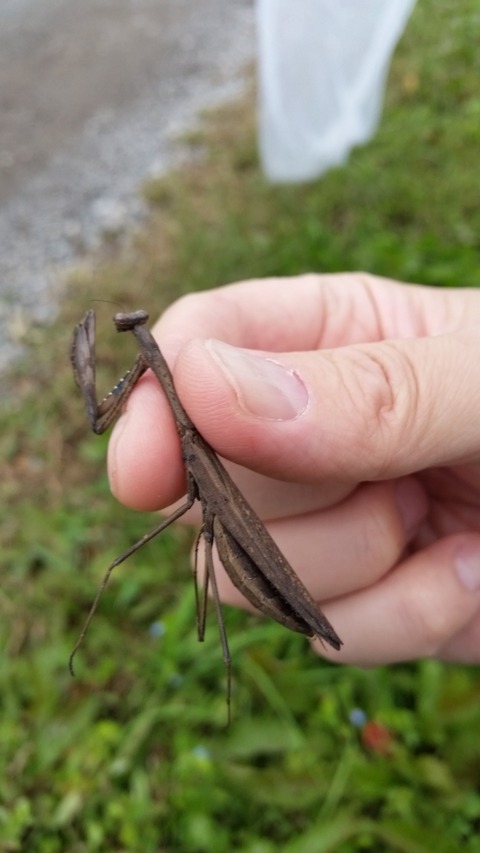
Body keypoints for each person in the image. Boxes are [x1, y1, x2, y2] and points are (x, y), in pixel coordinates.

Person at [107, 272, 480, 666]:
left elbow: (102, 418)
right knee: (209, 557)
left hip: (241, 532)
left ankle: (233, 666)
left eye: (130, 326)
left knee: (182, 557)